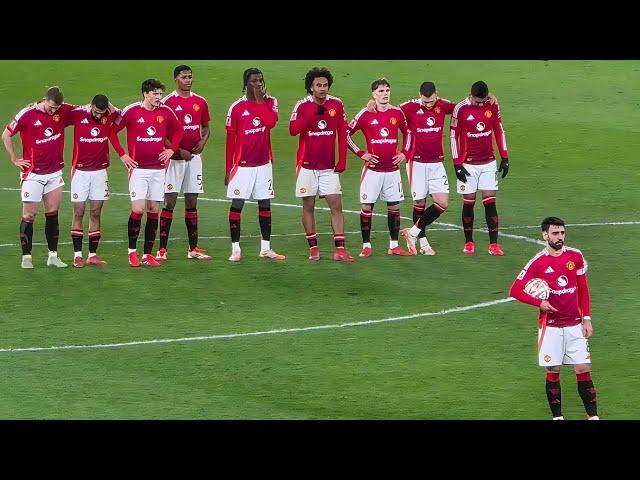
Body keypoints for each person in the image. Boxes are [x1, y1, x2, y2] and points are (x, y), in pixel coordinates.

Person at [509, 217, 599, 420]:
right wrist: (538, 303)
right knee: (553, 369)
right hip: (551, 326)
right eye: (555, 233)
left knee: (583, 368)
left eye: (562, 233)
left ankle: (592, 416)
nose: (560, 237)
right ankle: (557, 417)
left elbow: (583, 289)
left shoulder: (575, 256)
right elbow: (515, 290)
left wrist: (587, 318)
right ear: (545, 235)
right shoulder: (537, 263)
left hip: (576, 324)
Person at [396, 82, 498, 255]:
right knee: (419, 203)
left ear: (437, 95)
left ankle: (411, 233)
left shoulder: (443, 105)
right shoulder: (409, 106)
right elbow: (390, 111)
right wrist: (373, 106)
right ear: (419, 95)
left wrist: (489, 98)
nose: (429, 105)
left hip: (437, 163)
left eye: (432, 101)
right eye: (425, 101)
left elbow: (462, 107)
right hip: (417, 162)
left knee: (442, 203)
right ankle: (423, 243)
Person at [109, 79, 183, 267]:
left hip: (158, 170)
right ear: (145, 94)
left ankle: (147, 254)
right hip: (138, 170)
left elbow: (179, 130)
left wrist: (171, 149)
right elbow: (112, 132)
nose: (159, 98)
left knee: (154, 210)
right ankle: (132, 252)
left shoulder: (165, 111)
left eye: (160, 94)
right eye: (155, 94)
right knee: (138, 208)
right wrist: (123, 155)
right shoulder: (132, 111)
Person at [2, 86, 75, 268]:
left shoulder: (63, 110)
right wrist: (14, 159)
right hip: (33, 174)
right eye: (50, 107)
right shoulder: (26, 114)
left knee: (52, 214)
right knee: (29, 215)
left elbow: (86, 110)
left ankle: (52, 256)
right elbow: (6, 134)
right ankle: (26, 258)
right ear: (44, 99)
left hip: (54, 173)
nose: (53, 111)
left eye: (56, 109)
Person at [289, 67, 354, 262]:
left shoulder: (337, 104)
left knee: (336, 204)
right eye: (319, 85)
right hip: (306, 165)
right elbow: (293, 130)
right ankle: (313, 248)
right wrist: (310, 115)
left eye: (325, 85)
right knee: (308, 205)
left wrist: (342, 159)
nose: (323, 89)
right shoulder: (302, 106)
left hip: (328, 167)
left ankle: (340, 250)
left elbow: (343, 133)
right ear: (311, 86)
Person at [347, 78, 413, 257]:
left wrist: (404, 153)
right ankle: (366, 246)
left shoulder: (397, 113)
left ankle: (394, 246)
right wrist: (362, 154)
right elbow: (346, 133)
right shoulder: (365, 113)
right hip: (372, 171)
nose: (385, 94)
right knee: (367, 207)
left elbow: (408, 132)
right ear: (373, 94)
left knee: (394, 207)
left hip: (392, 171)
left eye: (387, 90)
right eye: (380, 91)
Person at [225, 67, 285, 262]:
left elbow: (270, 123)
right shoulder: (236, 107)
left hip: (263, 164)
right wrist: (228, 169)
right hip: (241, 166)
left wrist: (260, 101)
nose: (258, 83)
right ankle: (235, 249)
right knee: (237, 204)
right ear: (246, 83)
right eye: (253, 81)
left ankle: (265, 248)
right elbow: (229, 141)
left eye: (260, 80)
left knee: (265, 203)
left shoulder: (271, 102)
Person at [156, 65, 212, 262]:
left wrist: (203, 142)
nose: (188, 80)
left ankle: (193, 248)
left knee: (192, 202)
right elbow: (160, 132)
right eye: (184, 77)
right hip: (174, 160)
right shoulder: (167, 102)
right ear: (176, 79)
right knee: (169, 202)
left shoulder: (200, 102)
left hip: (194, 160)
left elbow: (206, 127)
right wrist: (178, 151)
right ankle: (162, 250)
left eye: (190, 77)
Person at [450, 80, 509, 256]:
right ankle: (469, 242)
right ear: (471, 96)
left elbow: (499, 130)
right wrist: (457, 164)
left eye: (483, 101)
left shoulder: (492, 105)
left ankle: (494, 245)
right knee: (469, 203)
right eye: (477, 101)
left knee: (490, 203)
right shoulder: (460, 109)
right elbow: (453, 136)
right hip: (468, 164)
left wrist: (504, 157)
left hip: (488, 162)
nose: (480, 104)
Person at [66, 95, 119, 267]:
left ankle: (93, 255)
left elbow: (121, 114)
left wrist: (110, 106)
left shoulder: (108, 115)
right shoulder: (78, 113)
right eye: (96, 112)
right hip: (80, 172)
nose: (99, 116)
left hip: (100, 171)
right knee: (79, 212)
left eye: (102, 113)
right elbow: (61, 109)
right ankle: (77, 255)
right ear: (91, 106)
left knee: (96, 212)